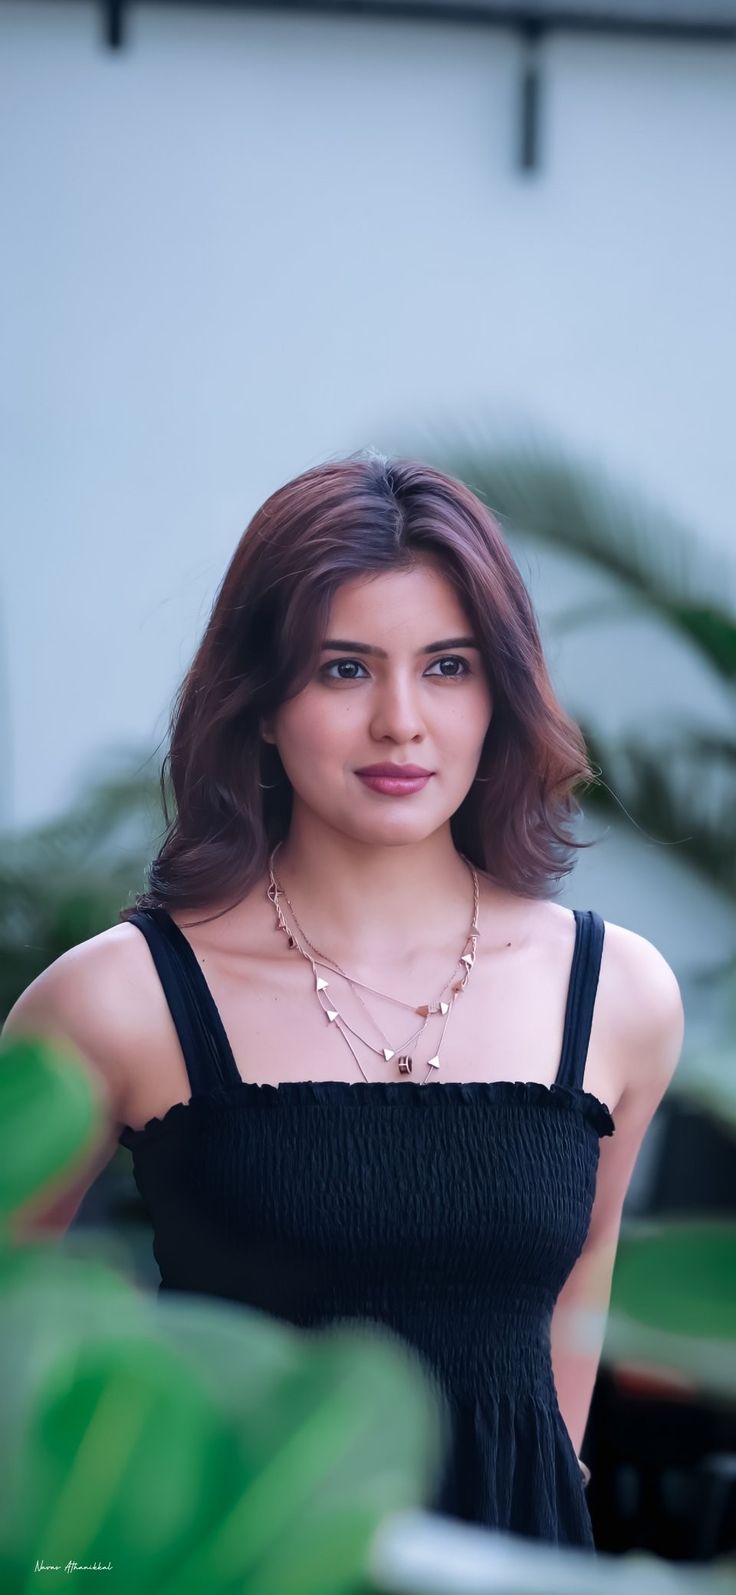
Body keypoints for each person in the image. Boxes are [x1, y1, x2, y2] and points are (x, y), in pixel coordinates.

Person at [2, 452, 684, 1547]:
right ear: (261, 703)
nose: (401, 722)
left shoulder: (616, 994)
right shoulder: (112, 999)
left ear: (500, 694)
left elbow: (572, 1312)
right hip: (245, 1554)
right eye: (343, 669)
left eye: (449, 665)